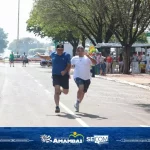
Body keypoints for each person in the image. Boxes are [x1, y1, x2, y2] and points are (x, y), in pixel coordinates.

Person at [37, 44, 71, 113]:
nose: (60, 51)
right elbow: (47, 57)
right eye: (58, 50)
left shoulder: (67, 55)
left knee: (66, 92)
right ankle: (57, 106)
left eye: (61, 50)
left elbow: (69, 65)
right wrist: (40, 55)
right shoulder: (53, 54)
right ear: (56, 49)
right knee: (56, 89)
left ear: (63, 50)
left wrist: (65, 71)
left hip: (64, 75)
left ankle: (61, 90)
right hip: (55, 75)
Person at [71, 46, 96, 112]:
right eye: (78, 51)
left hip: (87, 77)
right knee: (81, 87)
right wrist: (67, 73)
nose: (80, 52)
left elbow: (95, 63)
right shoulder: (74, 58)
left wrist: (89, 57)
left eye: (81, 50)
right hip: (77, 76)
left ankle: (77, 103)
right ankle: (77, 101)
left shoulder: (88, 58)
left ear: (84, 51)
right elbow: (69, 65)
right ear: (77, 52)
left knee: (83, 92)